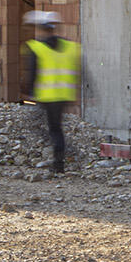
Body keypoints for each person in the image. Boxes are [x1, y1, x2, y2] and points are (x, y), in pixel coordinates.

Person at [21, 11, 80, 172]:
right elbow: (80, 70)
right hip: (64, 95)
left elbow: (32, 73)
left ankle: (58, 160)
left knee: (46, 128)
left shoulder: (36, 47)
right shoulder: (71, 47)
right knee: (56, 128)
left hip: (46, 96)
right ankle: (59, 159)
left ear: (41, 29)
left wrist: (29, 93)